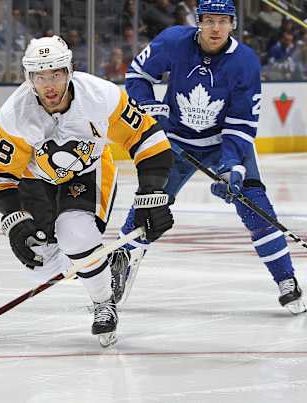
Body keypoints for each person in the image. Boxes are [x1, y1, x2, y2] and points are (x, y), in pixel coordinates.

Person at [0, 35, 174, 347]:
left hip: (87, 173)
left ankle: (103, 302)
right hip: (37, 181)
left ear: (69, 71)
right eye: (40, 76)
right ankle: (109, 264)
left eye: (56, 73)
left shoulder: (100, 96)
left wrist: (152, 196)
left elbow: (148, 140)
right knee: (42, 265)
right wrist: (15, 222)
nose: (50, 85)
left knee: (76, 235)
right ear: (29, 77)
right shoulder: (15, 114)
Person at [116, 0, 306, 314]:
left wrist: (231, 166)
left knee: (255, 205)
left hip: (221, 143)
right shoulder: (173, 41)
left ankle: (286, 280)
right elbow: (137, 75)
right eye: (209, 21)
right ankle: (118, 268)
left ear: (233, 24)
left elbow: (242, 122)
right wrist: (153, 113)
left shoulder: (245, 61)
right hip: (175, 140)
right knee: (149, 205)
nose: (216, 28)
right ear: (199, 22)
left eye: (223, 21)